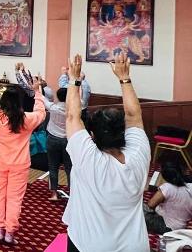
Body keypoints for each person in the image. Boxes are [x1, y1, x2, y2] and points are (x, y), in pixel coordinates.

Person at [62, 53, 150, 252]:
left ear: (92, 135)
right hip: (135, 245)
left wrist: (74, 79)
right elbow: (134, 115)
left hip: (90, 245)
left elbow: (72, 115)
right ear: (124, 132)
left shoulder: (89, 158)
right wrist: (124, 78)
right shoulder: (139, 153)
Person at [0, 74, 46, 245]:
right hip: (20, 165)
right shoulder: (26, 119)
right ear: (19, 103)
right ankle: (9, 234)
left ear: (2, 102)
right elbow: (41, 112)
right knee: (15, 199)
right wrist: (37, 91)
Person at [144, 160, 192, 234]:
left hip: (167, 227)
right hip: (180, 226)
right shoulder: (190, 186)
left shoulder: (167, 187)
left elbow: (150, 205)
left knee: (137, 208)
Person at [43, 85, 72, 201]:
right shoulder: (73, 110)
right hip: (67, 141)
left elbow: (42, 98)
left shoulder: (53, 107)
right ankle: (72, 193)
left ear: (58, 97)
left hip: (53, 139)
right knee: (69, 168)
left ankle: (54, 194)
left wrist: (38, 87)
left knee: (53, 166)